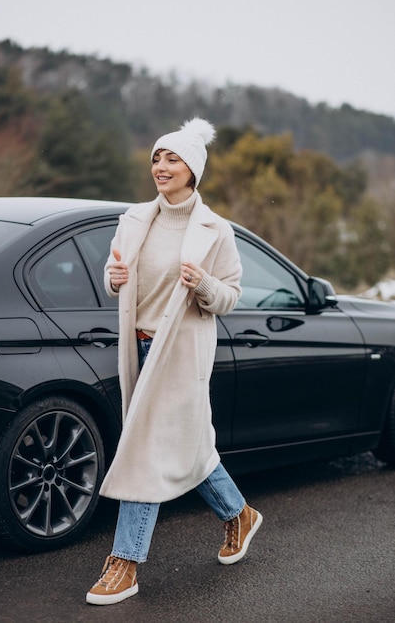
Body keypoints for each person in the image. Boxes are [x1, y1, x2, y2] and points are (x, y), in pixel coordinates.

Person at [86, 118, 263, 606]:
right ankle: (239, 514)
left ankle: (125, 563)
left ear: (194, 169)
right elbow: (115, 274)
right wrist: (114, 277)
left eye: (172, 159)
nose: (160, 167)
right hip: (139, 347)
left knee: (146, 447)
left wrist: (204, 284)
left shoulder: (215, 230)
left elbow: (229, 296)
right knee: (182, 445)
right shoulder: (134, 218)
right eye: (156, 159)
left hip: (181, 352)